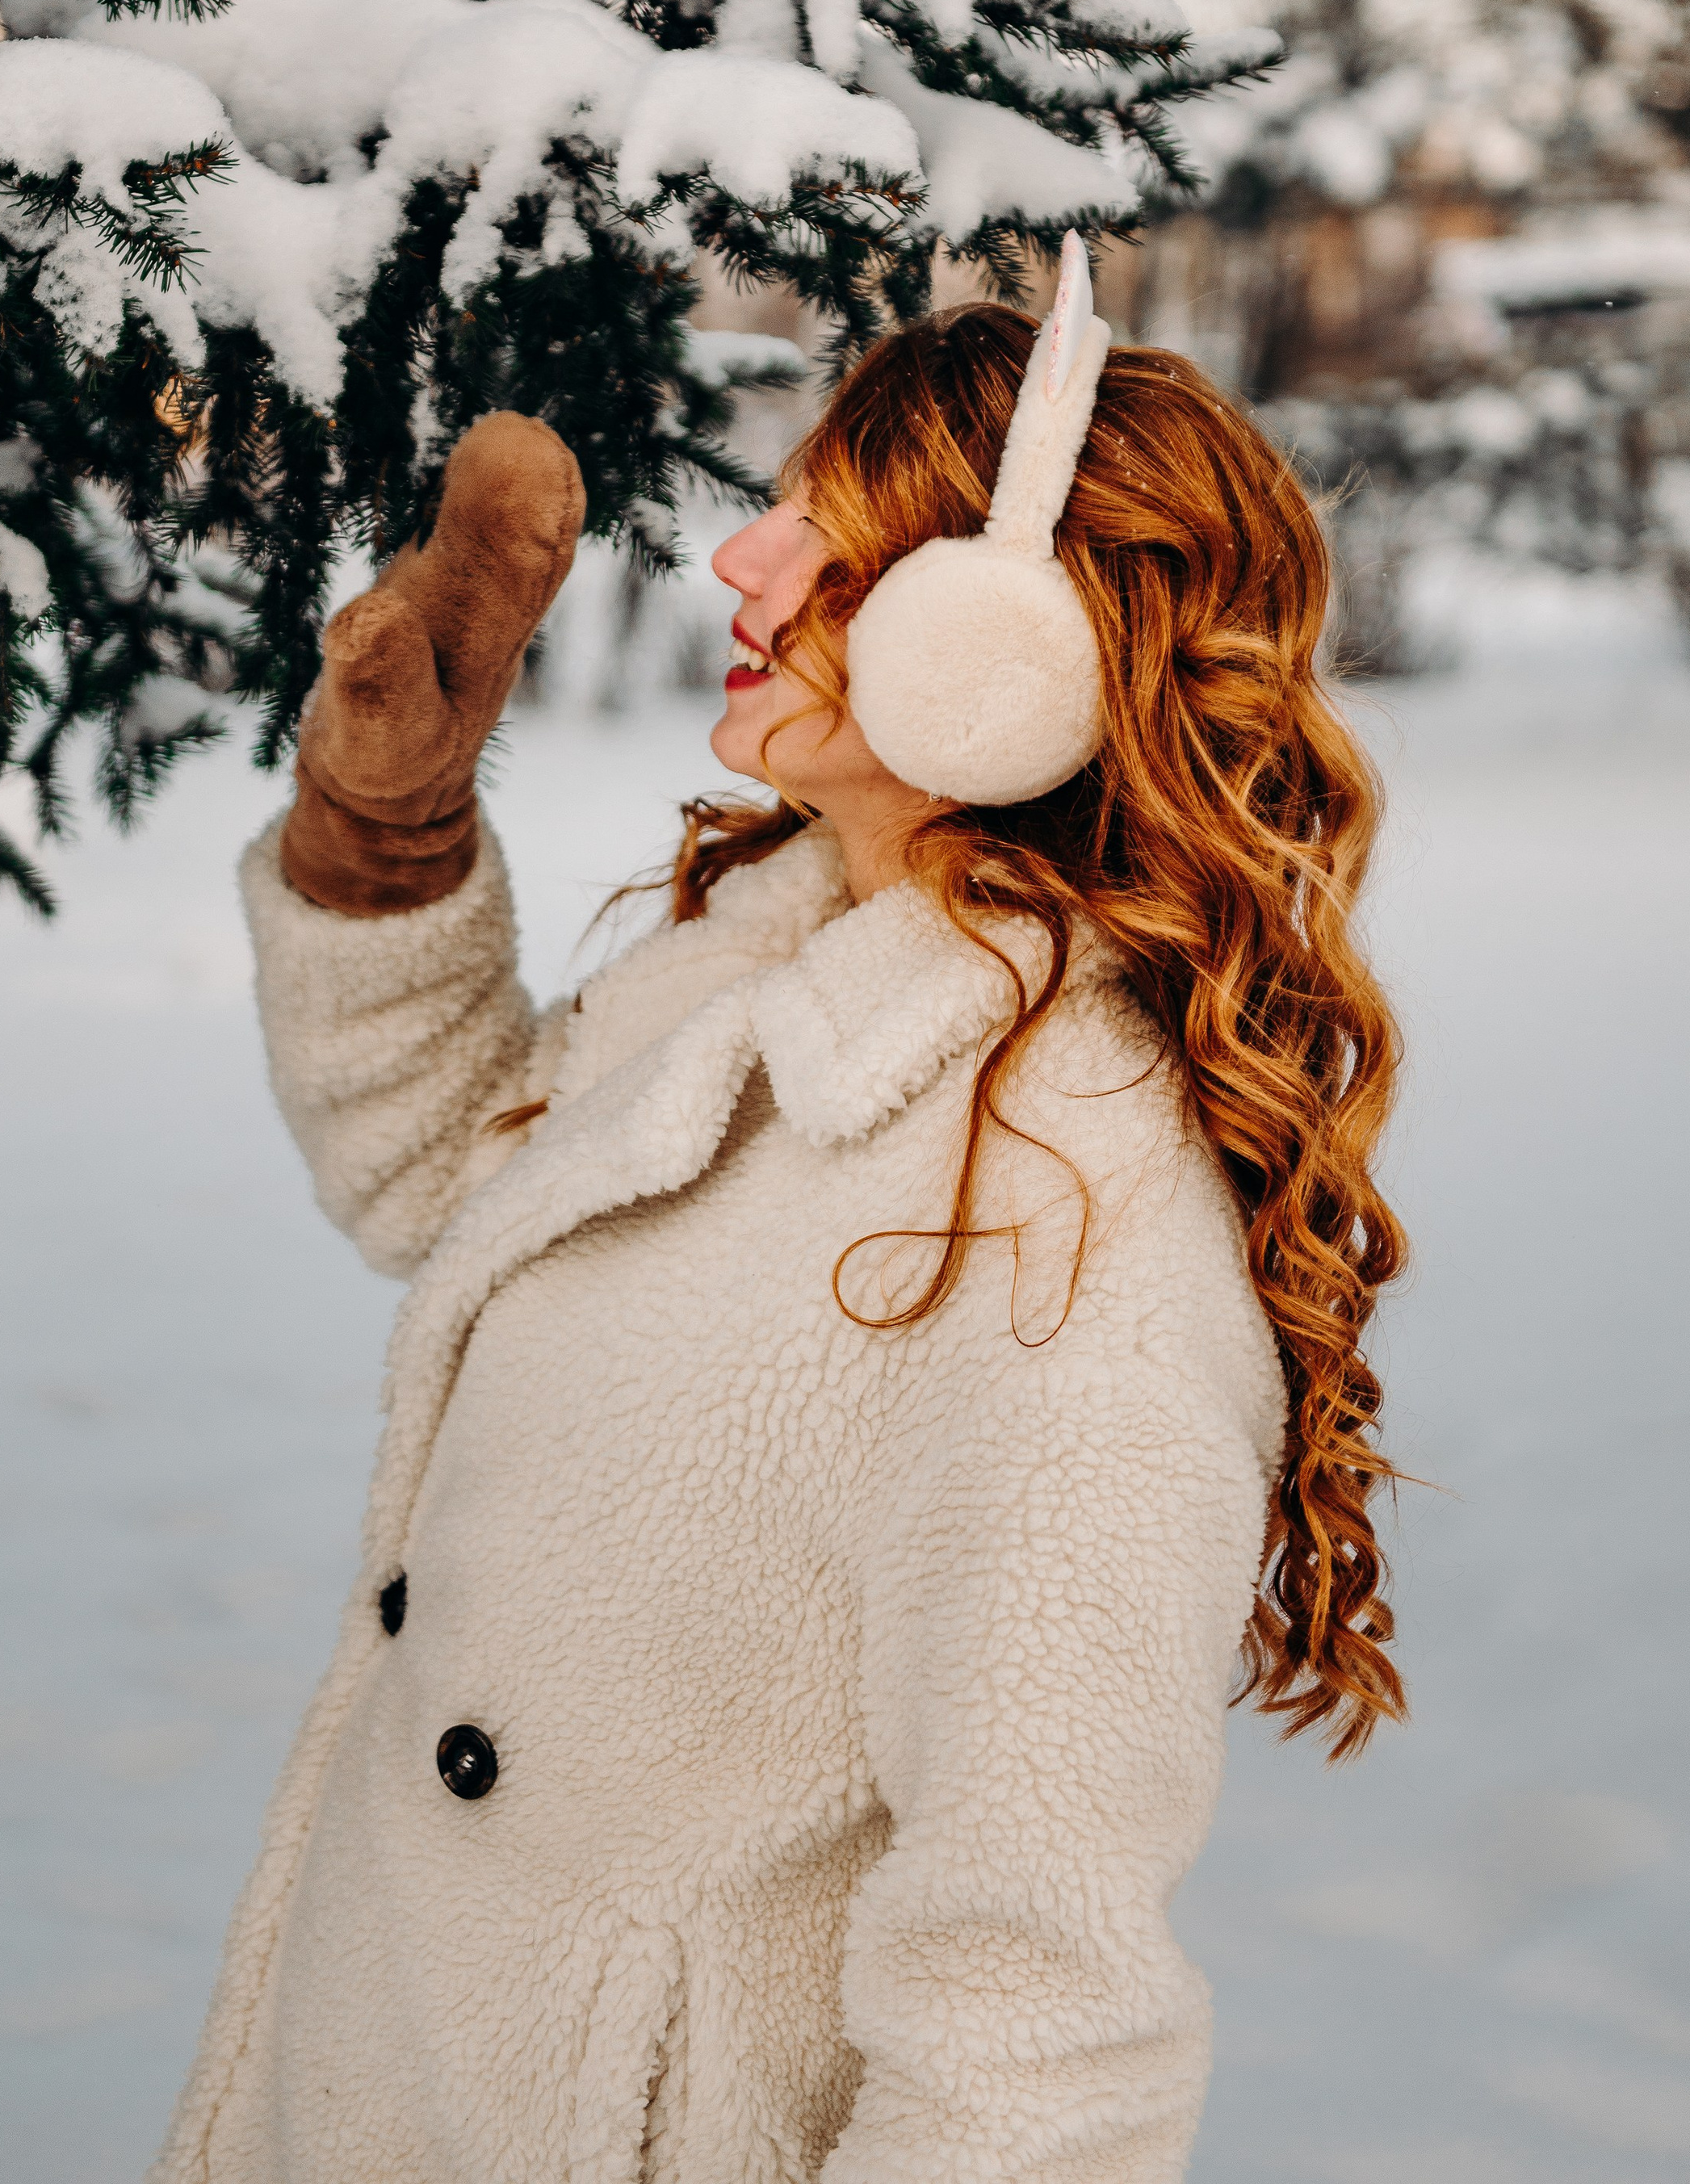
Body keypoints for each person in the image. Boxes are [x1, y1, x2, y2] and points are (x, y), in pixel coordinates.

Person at [152, 275, 1406, 2184]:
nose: (738, 554)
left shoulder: (1067, 1232)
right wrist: (383, 836)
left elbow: (1037, 2037)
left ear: (1002, 638)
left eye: (825, 530)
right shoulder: (774, 971)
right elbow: (444, 1186)